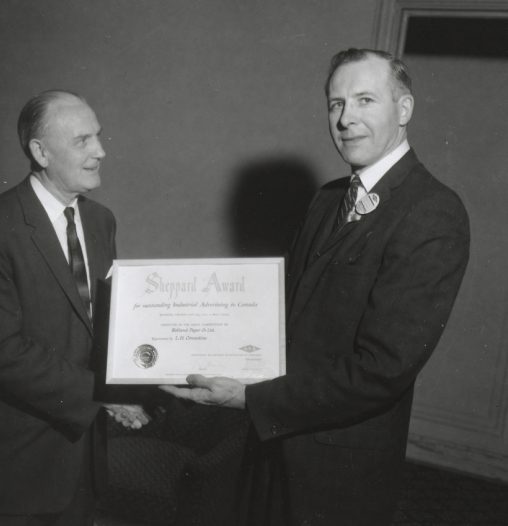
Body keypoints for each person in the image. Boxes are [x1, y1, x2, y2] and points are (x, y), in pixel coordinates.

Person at [162, 48, 470, 525]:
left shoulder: (433, 211)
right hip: (270, 447)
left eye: (365, 100)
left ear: (404, 109)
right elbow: (281, 317)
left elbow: (382, 370)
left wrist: (249, 397)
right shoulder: (327, 200)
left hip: (339, 468)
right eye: (335, 103)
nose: (346, 119)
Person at [0, 90, 149, 526]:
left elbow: (103, 324)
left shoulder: (101, 221)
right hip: (12, 463)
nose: (100, 151)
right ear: (40, 151)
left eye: (98, 136)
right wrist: (104, 395)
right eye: (83, 141)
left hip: (81, 458)